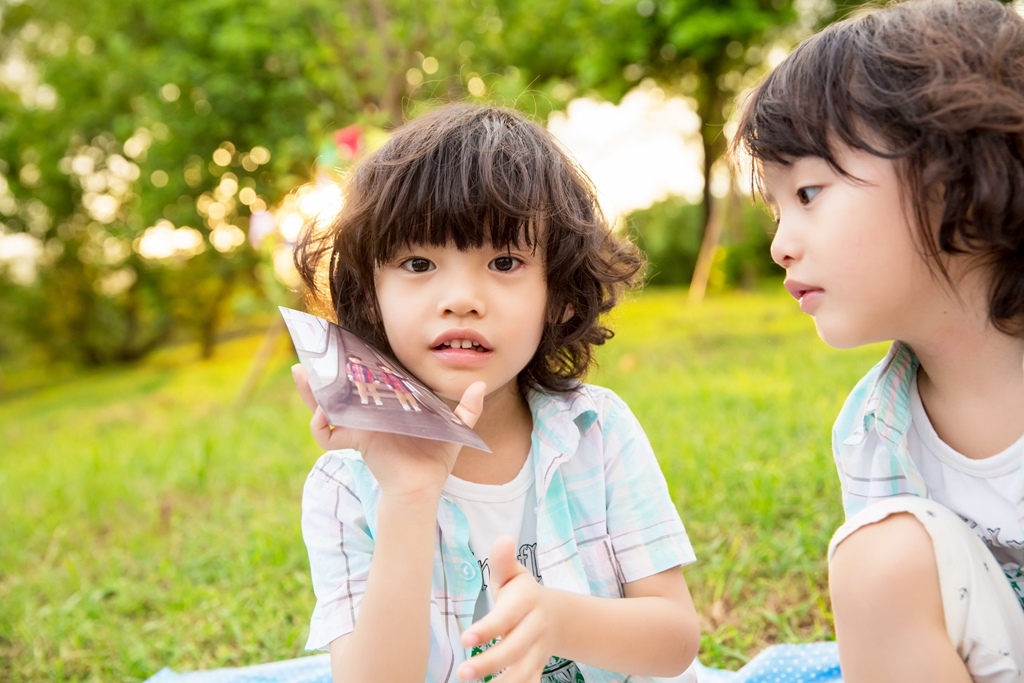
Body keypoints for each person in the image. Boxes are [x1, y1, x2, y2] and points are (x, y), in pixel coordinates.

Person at [290, 102, 700, 683]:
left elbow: (675, 640)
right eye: (418, 261)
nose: (461, 297)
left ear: (557, 293)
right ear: (370, 296)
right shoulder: (345, 487)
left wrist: (557, 619)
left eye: (504, 261)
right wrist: (409, 492)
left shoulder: (596, 431)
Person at [731, 1, 1024, 681]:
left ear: (950, 178)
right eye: (776, 208)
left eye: (808, 192)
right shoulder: (873, 434)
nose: (781, 243)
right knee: (877, 559)